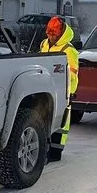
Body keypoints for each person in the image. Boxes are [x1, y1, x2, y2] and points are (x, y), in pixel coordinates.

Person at [39, 15, 79, 162]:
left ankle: (56, 152)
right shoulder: (44, 44)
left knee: (61, 124)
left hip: (63, 92)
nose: (51, 35)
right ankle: (45, 150)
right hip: (46, 90)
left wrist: (70, 92)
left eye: (54, 32)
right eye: (49, 31)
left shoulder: (69, 50)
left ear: (61, 32)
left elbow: (73, 75)